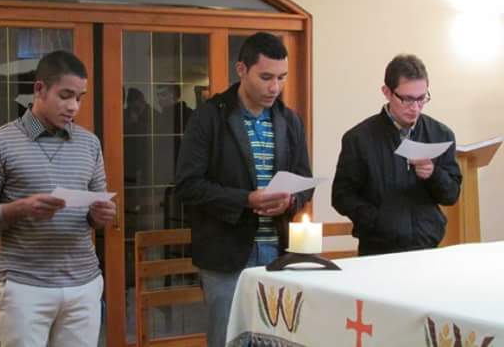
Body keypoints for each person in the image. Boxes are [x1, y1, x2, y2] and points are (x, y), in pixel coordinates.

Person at [0, 50, 116, 347]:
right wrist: (19, 208)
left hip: (84, 284)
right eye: (65, 95)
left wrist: (99, 216)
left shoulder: (89, 143)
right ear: (39, 89)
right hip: (25, 287)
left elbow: (97, 212)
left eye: (80, 98)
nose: (73, 106)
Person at [175, 32, 313, 347]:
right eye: (266, 77)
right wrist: (245, 200)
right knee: (229, 339)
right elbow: (187, 185)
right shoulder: (210, 116)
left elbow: (304, 179)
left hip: (278, 248)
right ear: (241, 70)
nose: (275, 87)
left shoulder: (289, 120)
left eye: (281, 77)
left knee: (277, 339)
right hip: (225, 251)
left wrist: (291, 200)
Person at [331, 54, 462, 256]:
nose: (415, 108)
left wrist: (433, 174)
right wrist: (377, 220)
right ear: (387, 92)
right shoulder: (359, 138)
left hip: (427, 248)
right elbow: (341, 197)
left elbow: (451, 195)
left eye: (421, 98)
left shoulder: (441, 134)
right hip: (377, 250)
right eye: (407, 99)